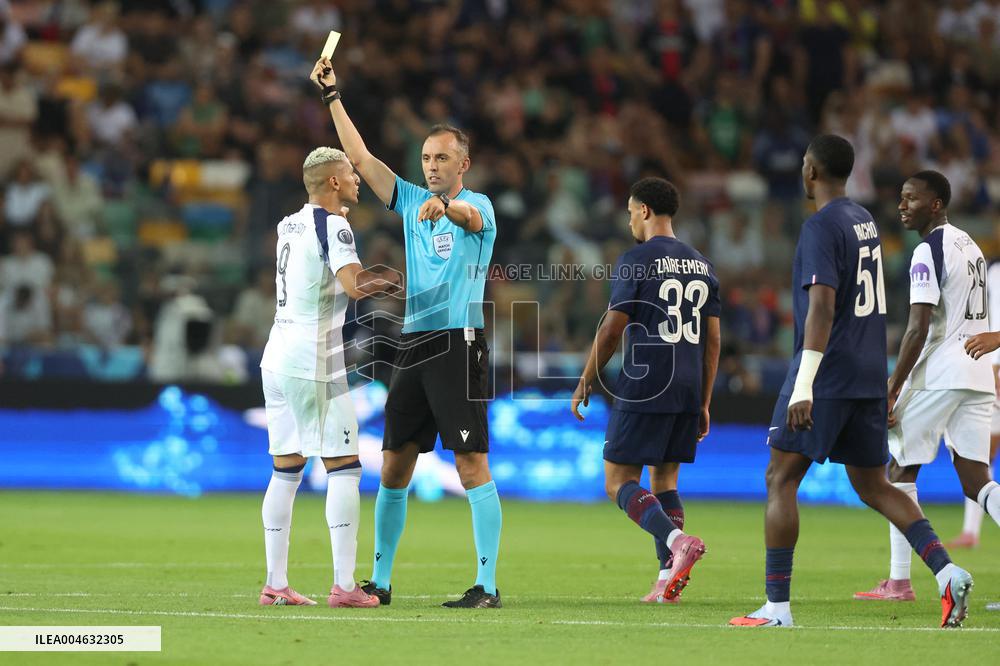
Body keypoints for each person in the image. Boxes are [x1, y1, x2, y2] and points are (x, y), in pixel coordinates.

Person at [729, 136, 972, 629]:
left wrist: (804, 385)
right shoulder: (865, 222)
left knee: (780, 478)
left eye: (803, 164)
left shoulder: (821, 226)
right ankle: (947, 571)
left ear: (813, 171)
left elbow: (822, 306)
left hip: (828, 373)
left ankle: (777, 608)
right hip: (867, 371)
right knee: (875, 484)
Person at [310, 57, 502, 608]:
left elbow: (465, 217)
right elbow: (362, 160)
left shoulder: (478, 207)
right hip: (415, 346)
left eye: (442, 157)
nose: (432, 165)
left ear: (464, 163)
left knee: (470, 465)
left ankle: (486, 586)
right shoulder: (414, 199)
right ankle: (381, 581)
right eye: (426, 158)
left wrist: (446, 205)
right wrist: (333, 97)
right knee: (394, 464)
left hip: (458, 343)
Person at [257, 146, 401, 608]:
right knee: (344, 467)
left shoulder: (288, 224)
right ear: (334, 182)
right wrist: (402, 279)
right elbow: (356, 287)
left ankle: (275, 585)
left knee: (286, 469)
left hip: (276, 354)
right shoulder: (332, 224)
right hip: (311, 359)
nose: (359, 179)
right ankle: (344, 586)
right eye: (352, 173)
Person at [570, 177, 721, 604]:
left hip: (647, 382)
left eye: (632, 211)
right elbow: (712, 340)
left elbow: (613, 326)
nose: (630, 219)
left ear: (646, 212)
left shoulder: (637, 259)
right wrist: (705, 400)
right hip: (688, 385)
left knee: (618, 482)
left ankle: (676, 543)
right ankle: (664, 581)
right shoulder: (703, 264)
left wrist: (585, 379)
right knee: (666, 479)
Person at [854, 171, 1000, 602]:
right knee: (977, 482)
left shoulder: (928, 249)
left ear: (935, 204)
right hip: (977, 374)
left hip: (941, 372)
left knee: (899, 469)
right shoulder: (970, 245)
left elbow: (918, 328)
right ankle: (900, 581)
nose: (902, 205)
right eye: (901, 197)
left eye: (912, 198)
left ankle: (899, 582)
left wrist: (892, 386)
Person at [948, 257, 1000, 549]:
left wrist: (996, 365)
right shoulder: (993, 271)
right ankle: (970, 531)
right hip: (993, 366)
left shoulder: (995, 272)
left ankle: (970, 532)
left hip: (995, 368)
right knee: (982, 456)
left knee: (979, 458)